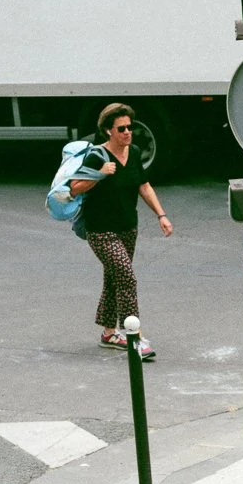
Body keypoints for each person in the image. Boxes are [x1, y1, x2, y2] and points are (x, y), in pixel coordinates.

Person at [68, 102, 173, 360]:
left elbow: (144, 186)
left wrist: (161, 215)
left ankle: (108, 333)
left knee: (115, 277)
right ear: (108, 131)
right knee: (126, 276)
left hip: (128, 226)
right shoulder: (96, 156)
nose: (128, 132)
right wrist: (100, 174)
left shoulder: (134, 152)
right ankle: (132, 336)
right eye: (122, 128)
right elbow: (74, 188)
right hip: (100, 230)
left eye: (130, 127)